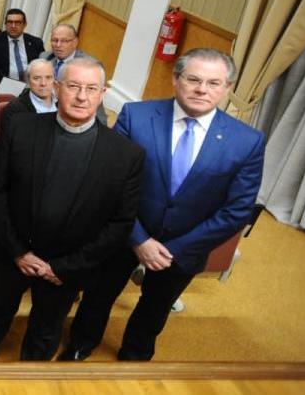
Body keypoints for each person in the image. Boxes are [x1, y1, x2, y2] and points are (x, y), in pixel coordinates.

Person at [61, 49, 264, 362]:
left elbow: (236, 210)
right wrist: (140, 240)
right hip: (123, 233)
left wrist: (176, 248)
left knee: (155, 307)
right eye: (193, 79)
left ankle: (135, 355)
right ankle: (80, 344)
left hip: (185, 247)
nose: (202, 89)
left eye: (213, 83)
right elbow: (108, 183)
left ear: (227, 89)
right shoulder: (136, 116)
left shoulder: (247, 141)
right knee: (98, 296)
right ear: (176, 79)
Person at [0, 57, 143, 361]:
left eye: (91, 88)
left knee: (49, 321)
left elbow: (120, 222)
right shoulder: (20, 127)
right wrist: (18, 251)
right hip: (14, 251)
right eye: (73, 86)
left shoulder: (126, 155)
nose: (82, 96)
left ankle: (34, 368)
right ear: (57, 88)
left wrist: (65, 266)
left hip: (67, 266)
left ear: (103, 93)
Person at [0, 8, 46, 85]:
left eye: (18, 22)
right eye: (10, 22)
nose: (13, 26)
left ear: (25, 24)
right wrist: (9, 83)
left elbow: (43, 66)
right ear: (5, 24)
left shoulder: (36, 42)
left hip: (32, 84)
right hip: (6, 84)